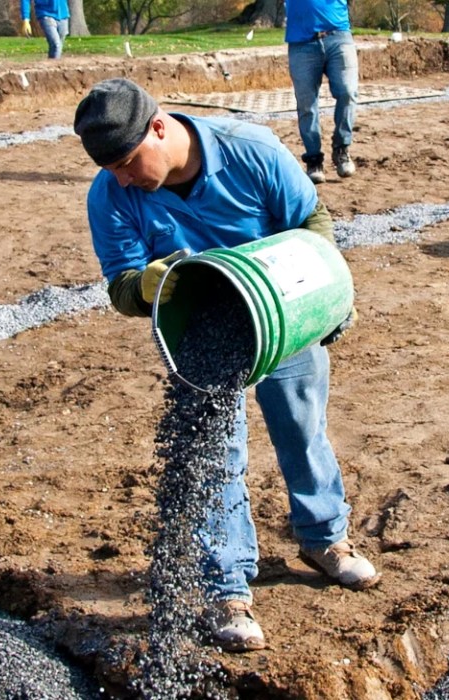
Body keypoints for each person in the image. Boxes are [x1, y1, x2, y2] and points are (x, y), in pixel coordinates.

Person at [74, 78, 379, 653]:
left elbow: (313, 223)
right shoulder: (110, 195)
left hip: (281, 309)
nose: (122, 178)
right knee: (216, 453)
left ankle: (324, 538)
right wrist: (149, 285)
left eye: (127, 161)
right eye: (110, 168)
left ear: (158, 128)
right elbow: (120, 287)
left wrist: (329, 294)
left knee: (302, 426)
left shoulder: (252, 151)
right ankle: (227, 585)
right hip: (200, 332)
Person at [284, 0, 359, 183]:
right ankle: (313, 159)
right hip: (301, 43)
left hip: (338, 36)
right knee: (306, 103)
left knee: (347, 91)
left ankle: (341, 147)